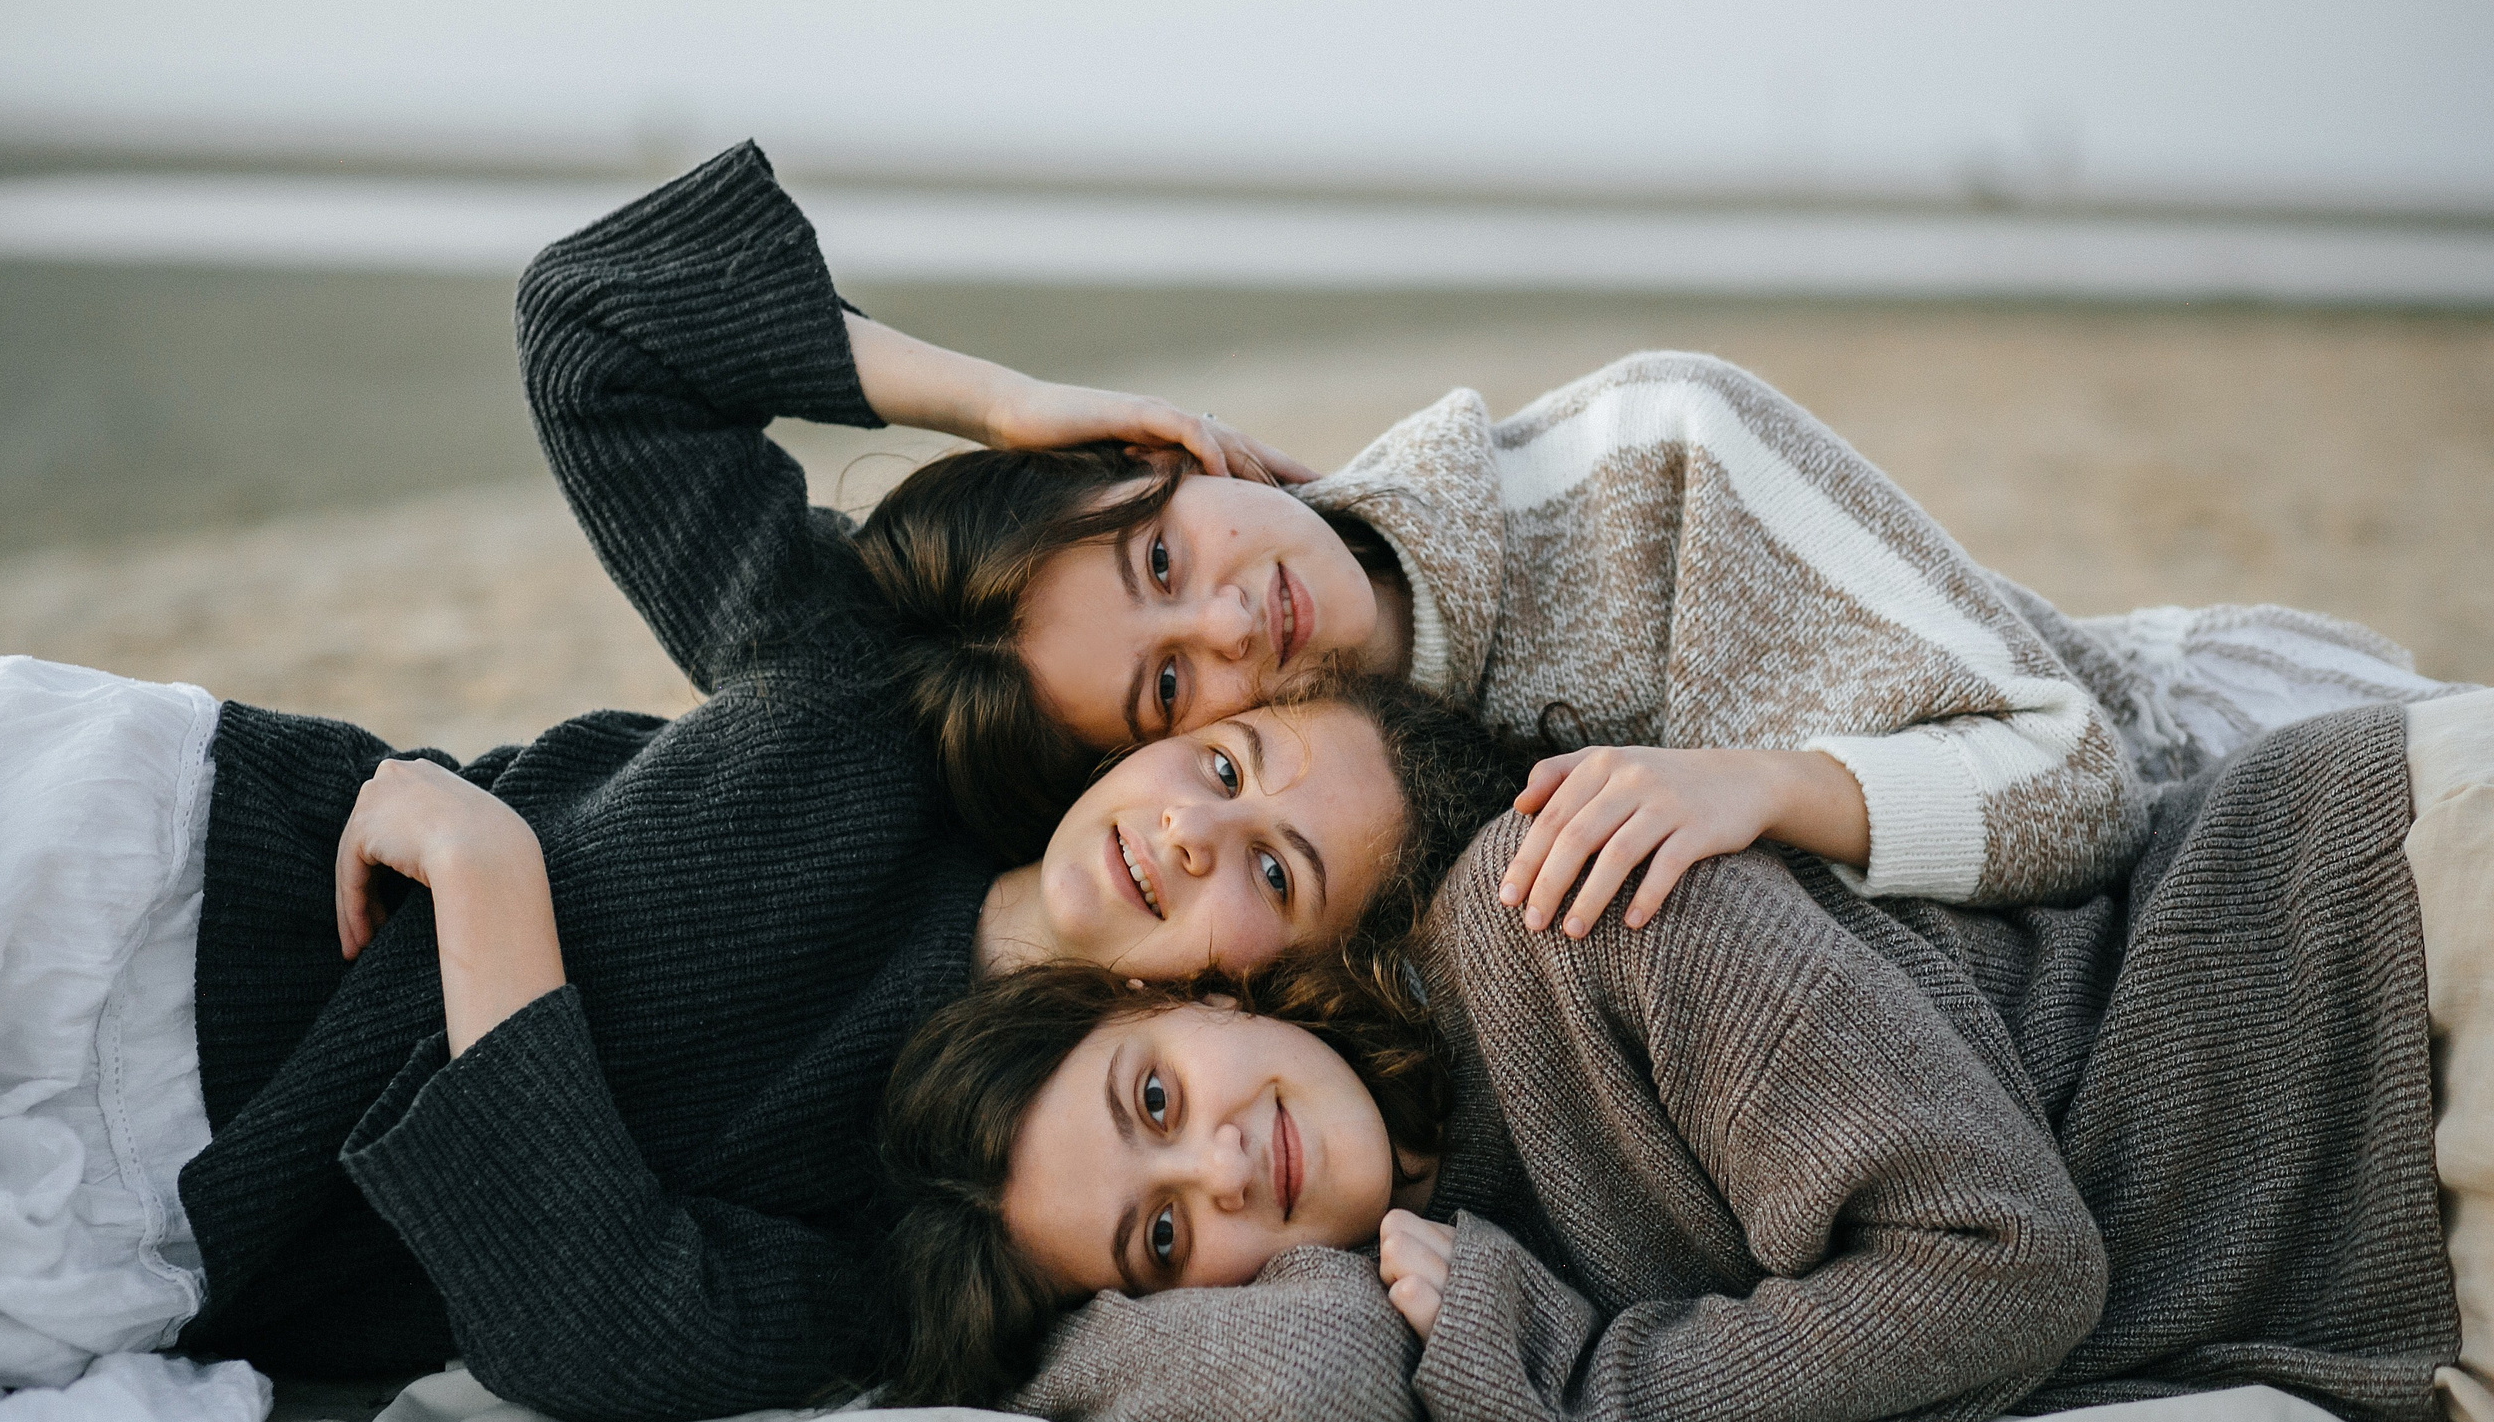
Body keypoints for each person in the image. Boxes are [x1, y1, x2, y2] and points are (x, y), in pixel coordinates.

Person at [0, 146, 1521, 1422]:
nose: (1192, 824)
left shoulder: (988, 1185)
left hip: (145, 1206)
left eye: (1275, 869)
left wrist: (493, 879)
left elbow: (604, 1326)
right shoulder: (874, 697)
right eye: (1207, 747)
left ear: (1283, 981)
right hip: (142, 872)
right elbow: (596, 328)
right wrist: (998, 404)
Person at [873, 691, 2494, 1422]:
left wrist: (1576, 1376)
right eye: (1160, 1246)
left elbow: (2008, 1267)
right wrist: (1011, 1353)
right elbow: (1302, 1389)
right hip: (2407, 1273)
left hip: (2381, 951)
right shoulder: (1419, 1264)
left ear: (1198, 994)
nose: (1221, 1173)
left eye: (1153, 1100)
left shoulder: (1554, 906)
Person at [835, 272, 2457, 935]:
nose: (1232, 624)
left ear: (1163, 454)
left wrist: (993, 398)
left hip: (2266, 774)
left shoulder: (1655, 460)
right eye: (1167, 692)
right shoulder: (1297, 822)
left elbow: (2080, 772)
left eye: (1163, 559)